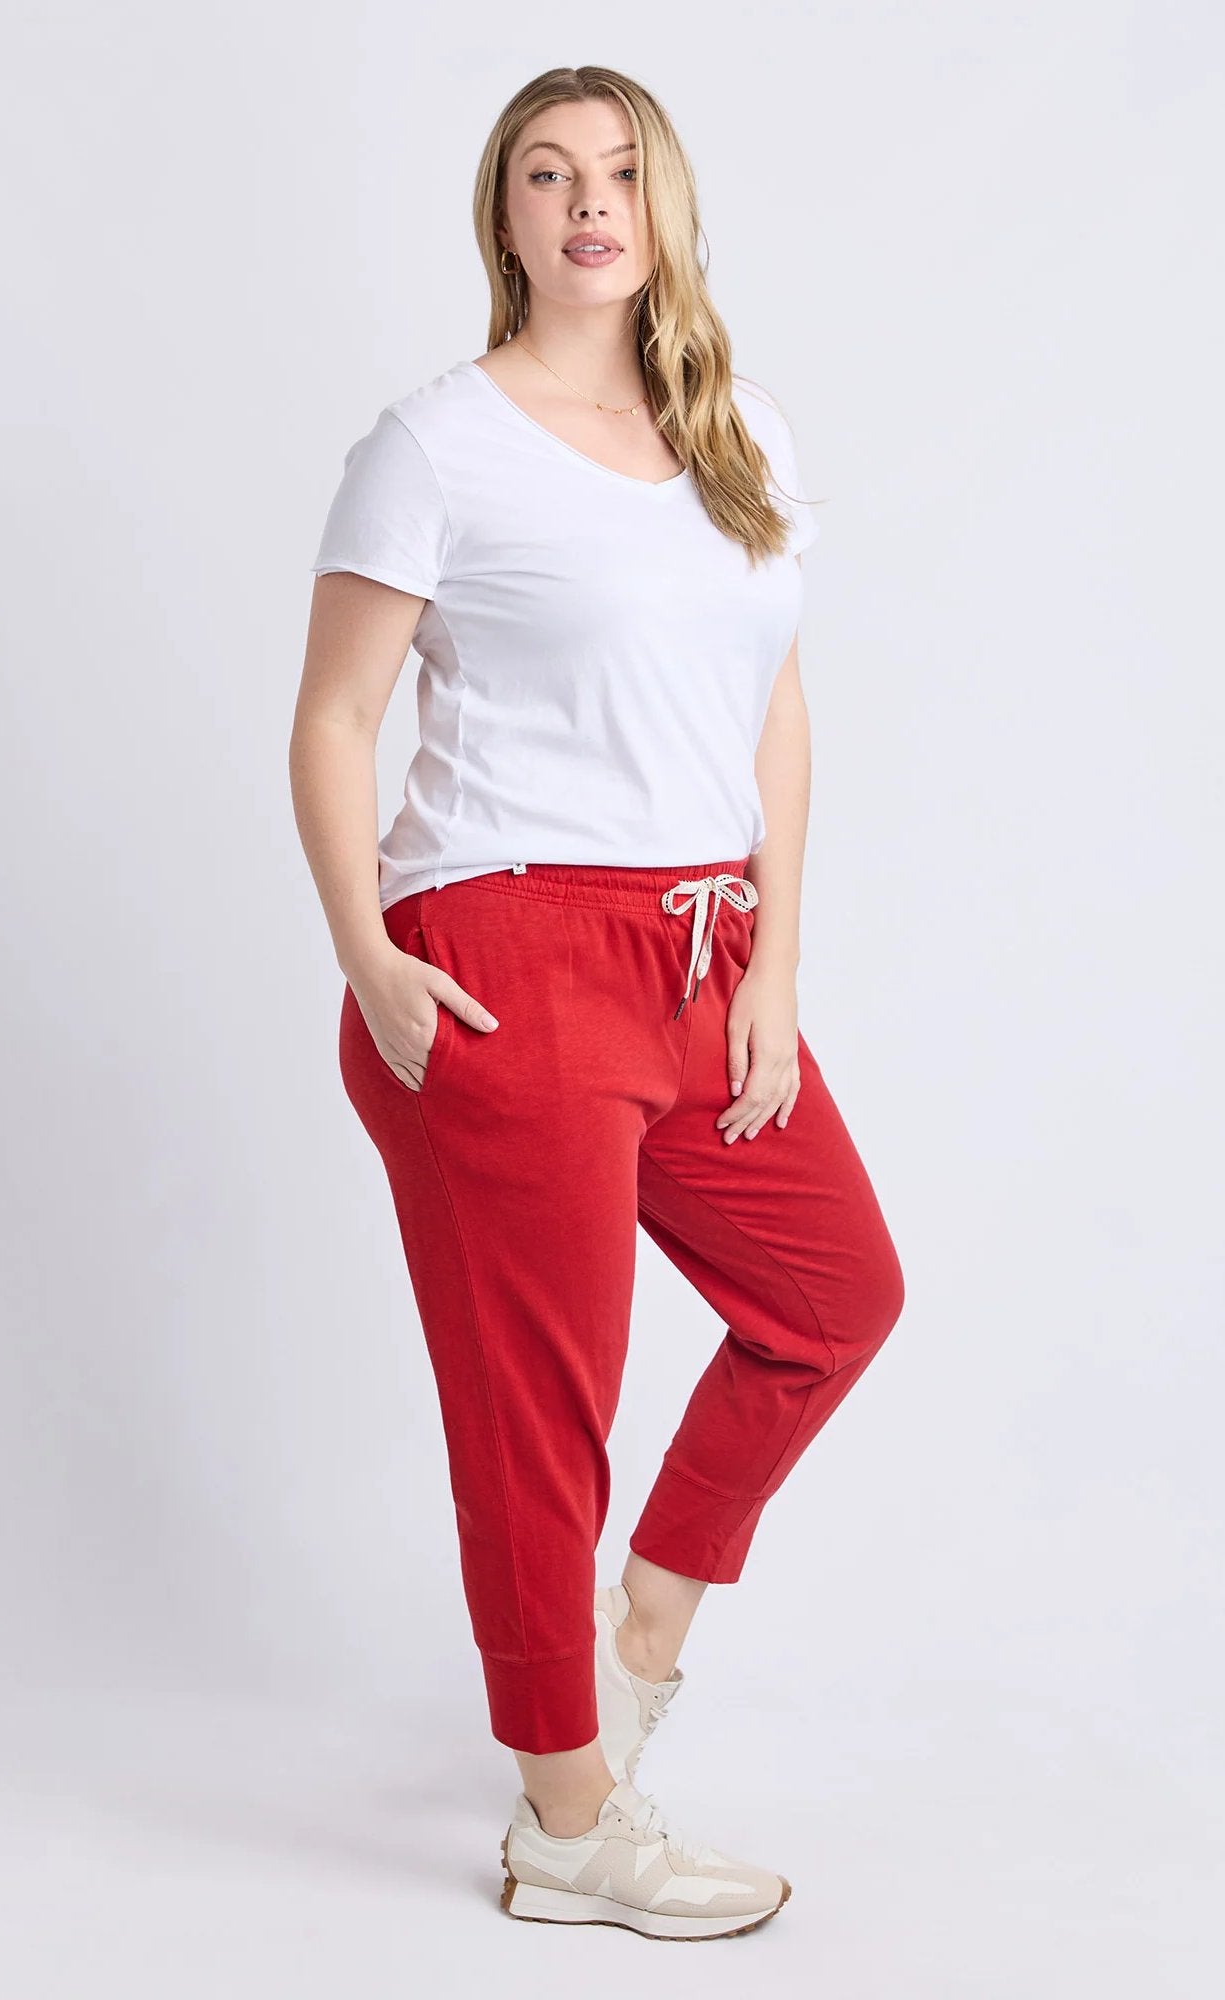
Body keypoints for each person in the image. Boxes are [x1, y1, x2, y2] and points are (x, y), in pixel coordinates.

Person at [290, 64, 905, 1944]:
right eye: (548, 174)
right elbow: (334, 716)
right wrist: (368, 955)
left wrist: (773, 964)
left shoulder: (738, 431)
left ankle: (637, 1633)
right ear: (504, 214)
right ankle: (566, 1818)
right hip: (502, 959)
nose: (587, 205)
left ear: (665, 206)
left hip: (701, 949)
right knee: (535, 1411)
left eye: (620, 173)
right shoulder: (434, 446)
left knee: (832, 1296)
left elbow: (771, 706)